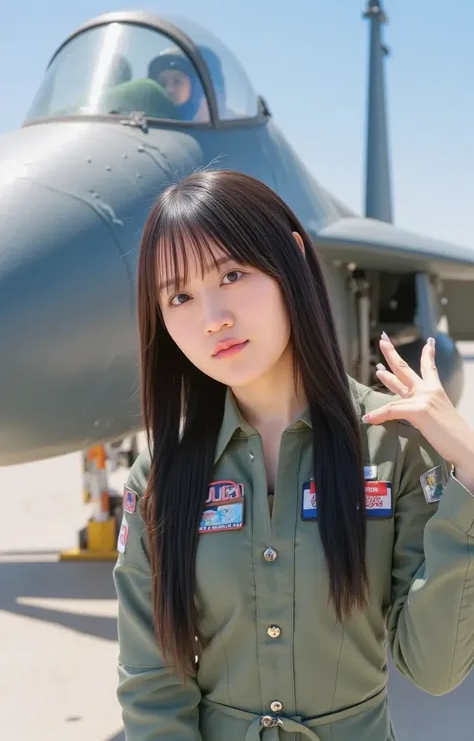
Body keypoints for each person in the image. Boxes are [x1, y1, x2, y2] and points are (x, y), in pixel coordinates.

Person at [113, 169, 474, 741]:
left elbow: (434, 669)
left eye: (232, 274)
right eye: (179, 296)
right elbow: (152, 683)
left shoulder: (393, 445)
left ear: (292, 262)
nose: (212, 318)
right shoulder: (160, 474)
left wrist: (471, 478)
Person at [147, 50, 210, 121]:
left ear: (194, 88)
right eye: (162, 83)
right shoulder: (147, 122)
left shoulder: (208, 127)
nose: (169, 89)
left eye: (177, 81)